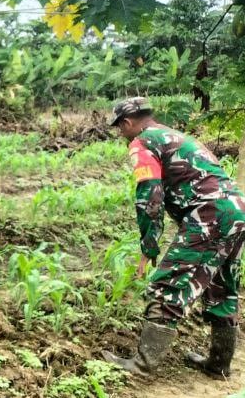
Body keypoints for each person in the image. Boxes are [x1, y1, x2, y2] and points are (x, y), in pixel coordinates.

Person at [102, 96, 245, 378]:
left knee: (167, 285)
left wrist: (149, 245)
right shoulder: (175, 136)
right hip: (236, 210)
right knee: (221, 286)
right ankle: (218, 365)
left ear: (128, 122)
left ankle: (142, 365)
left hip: (210, 214)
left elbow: (150, 194)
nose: (121, 134)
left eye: (120, 128)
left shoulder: (142, 142)